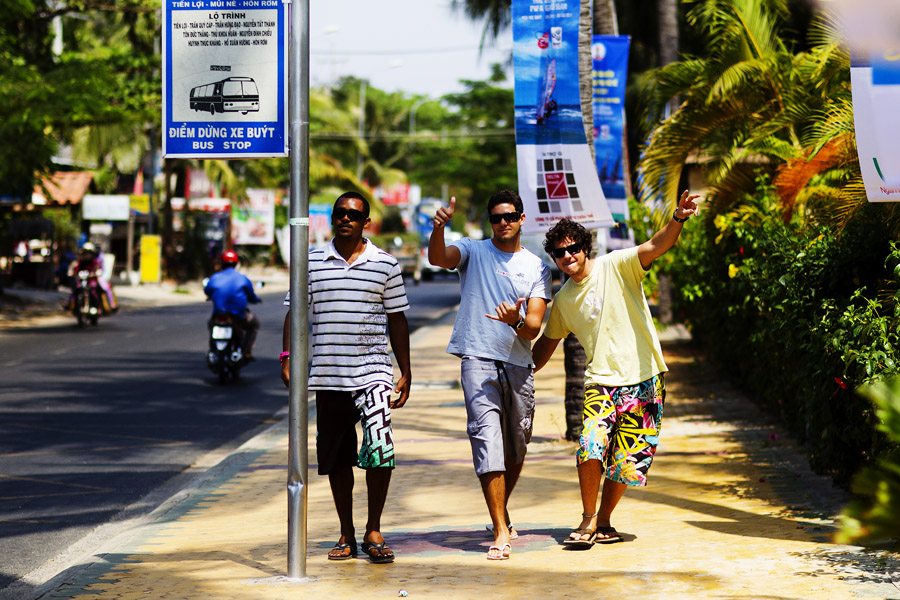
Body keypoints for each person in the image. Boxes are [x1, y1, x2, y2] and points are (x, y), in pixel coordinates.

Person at [532, 190, 700, 547]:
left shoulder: (618, 264)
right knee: (590, 445)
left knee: (626, 461)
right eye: (559, 252)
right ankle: (588, 518)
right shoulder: (563, 301)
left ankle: (605, 520)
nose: (567, 256)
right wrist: (518, 366)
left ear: (584, 247)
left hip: (645, 379)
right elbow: (546, 345)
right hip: (601, 382)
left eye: (572, 248)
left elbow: (656, 245)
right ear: (554, 258)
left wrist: (678, 219)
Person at [280, 191, 411, 565]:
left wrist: (406, 370)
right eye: (340, 213)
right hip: (328, 375)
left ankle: (374, 530)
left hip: (374, 375)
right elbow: (296, 312)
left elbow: (397, 319)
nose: (345, 219)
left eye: (353, 215)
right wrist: (287, 357)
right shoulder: (311, 262)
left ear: (366, 222)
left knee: (379, 452)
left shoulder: (385, 264)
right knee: (337, 459)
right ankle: (346, 533)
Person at [428, 189, 551, 560]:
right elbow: (438, 258)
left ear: (521, 219)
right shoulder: (473, 250)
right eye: (496, 217)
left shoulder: (536, 267)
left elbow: (533, 328)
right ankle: (500, 528)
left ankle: (502, 508)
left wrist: (515, 320)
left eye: (510, 216)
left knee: (517, 445)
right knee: (487, 441)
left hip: (518, 364)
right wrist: (438, 229)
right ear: (490, 221)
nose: (503, 223)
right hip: (477, 360)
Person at [204, 250, 260, 360]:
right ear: (236, 264)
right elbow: (251, 295)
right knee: (254, 324)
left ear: (222, 263)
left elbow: (207, 291)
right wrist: (255, 299)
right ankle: (246, 351)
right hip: (238, 316)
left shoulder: (215, 277)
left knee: (211, 324)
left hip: (218, 314)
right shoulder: (242, 278)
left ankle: (213, 348)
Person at [68, 242, 117, 312]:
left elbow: (99, 269)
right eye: (86, 253)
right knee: (75, 289)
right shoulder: (81, 262)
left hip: (93, 281)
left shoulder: (95, 262)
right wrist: (73, 273)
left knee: (100, 289)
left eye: (89, 253)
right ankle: (71, 305)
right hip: (83, 281)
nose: (87, 255)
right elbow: (76, 270)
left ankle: (104, 306)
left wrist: (96, 273)